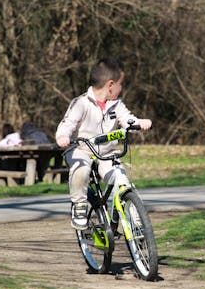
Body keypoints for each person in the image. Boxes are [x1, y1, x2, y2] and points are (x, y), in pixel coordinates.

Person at [55, 57, 152, 230]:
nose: (121, 88)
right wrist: (63, 136)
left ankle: (136, 222)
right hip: (81, 149)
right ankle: (79, 207)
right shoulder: (81, 103)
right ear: (111, 85)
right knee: (81, 171)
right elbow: (67, 124)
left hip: (106, 152)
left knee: (122, 180)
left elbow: (127, 119)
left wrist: (138, 123)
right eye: (121, 84)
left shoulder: (116, 105)